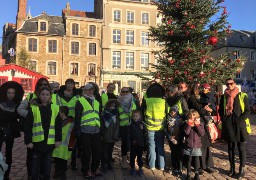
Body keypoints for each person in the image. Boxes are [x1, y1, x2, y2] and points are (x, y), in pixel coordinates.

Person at [17, 78, 53, 179]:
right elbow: (20, 109)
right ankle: (31, 175)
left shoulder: (52, 96)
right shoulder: (31, 96)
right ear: (37, 85)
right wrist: (30, 116)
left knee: (46, 158)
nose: (43, 85)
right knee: (32, 157)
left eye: (45, 84)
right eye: (41, 84)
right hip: (34, 132)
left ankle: (42, 174)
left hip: (47, 132)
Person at [24, 86, 62, 180]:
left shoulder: (55, 108)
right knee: (35, 168)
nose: (45, 96)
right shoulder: (33, 109)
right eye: (43, 94)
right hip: (36, 144)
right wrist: (28, 141)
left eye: (47, 95)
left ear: (50, 96)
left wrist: (58, 140)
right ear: (39, 95)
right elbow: (28, 127)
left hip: (49, 143)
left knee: (47, 167)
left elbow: (58, 126)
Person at [219, 78, 250, 179]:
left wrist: (240, 120)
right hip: (229, 125)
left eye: (231, 84)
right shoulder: (224, 97)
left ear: (235, 84)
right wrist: (225, 119)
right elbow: (220, 110)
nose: (229, 86)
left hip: (240, 125)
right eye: (227, 84)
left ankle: (242, 169)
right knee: (231, 147)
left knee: (241, 147)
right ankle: (232, 168)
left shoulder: (242, 95)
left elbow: (247, 111)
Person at [185, 82, 215, 174]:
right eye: (198, 88)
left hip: (202, 122)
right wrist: (206, 111)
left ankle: (207, 164)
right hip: (197, 122)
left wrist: (210, 109)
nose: (201, 90)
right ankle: (199, 166)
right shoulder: (192, 98)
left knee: (205, 143)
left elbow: (209, 104)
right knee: (199, 144)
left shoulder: (201, 97)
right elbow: (200, 110)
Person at [74, 83, 102, 179]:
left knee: (97, 151)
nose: (90, 91)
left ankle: (94, 169)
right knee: (86, 152)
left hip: (96, 130)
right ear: (84, 91)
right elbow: (77, 118)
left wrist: (100, 129)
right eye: (88, 89)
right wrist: (77, 132)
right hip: (85, 131)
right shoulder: (80, 101)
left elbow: (99, 116)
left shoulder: (96, 101)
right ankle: (86, 170)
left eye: (92, 90)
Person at [0, 81, 24, 180]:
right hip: (0, 130)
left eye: (13, 93)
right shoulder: (0, 104)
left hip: (11, 131)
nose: (11, 95)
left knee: (9, 152)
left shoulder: (18, 105)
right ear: (5, 93)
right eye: (9, 93)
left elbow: (21, 115)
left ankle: (7, 173)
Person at [56, 79, 80, 170]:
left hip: (72, 121)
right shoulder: (58, 95)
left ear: (74, 85)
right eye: (68, 84)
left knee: (72, 142)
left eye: (72, 84)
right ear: (66, 85)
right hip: (61, 121)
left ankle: (73, 162)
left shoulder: (77, 96)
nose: (70, 85)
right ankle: (61, 162)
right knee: (61, 142)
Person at [142, 83, 166, 171]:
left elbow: (142, 110)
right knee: (160, 146)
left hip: (150, 127)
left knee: (151, 146)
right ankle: (162, 166)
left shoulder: (147, 100)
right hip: (160, 127)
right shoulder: (164, 101)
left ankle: (151, 165)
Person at [52, 106, 75, 179]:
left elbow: (72, 137)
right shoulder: (56, 122)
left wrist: (71, 146)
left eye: (59, 112)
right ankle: (57, 172)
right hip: (57, 146)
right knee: (57, 161)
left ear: (62, 113)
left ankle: (62, 173)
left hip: (65, 147)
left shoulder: (71, 123)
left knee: (63, 162)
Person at [118, 87, 136, 168]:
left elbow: (136, 111)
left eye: (127, 91)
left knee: (133, 143)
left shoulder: (133, 100)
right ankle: (124, 160)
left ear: (129, 92)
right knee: (124, 144)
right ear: (120, 92)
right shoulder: (118, 102)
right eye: (123, 91)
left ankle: (133, 159)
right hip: (123, 126)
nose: (125, 93)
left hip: (132, 125)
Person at [183, 109, 205, 180]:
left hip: (197, 145)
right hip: (189, 144)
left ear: (196, 116)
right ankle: (188, 175)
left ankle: (196, 175)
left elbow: (201, 133)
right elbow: (186, 133)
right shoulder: (186, 123)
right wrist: (189, 125)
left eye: (194, 115)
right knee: (188, 160)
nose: (192, 117)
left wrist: (197, 125)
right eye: (191, 115)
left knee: (196, 160)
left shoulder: (200, 123)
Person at [101, 99, 120, 171]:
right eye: (111, 105)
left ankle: (108, 163)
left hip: (112, 135)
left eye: (114, 106)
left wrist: (116, 135)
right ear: (108, 105)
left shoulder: (116, 114)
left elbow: (117, 125)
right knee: (104, 151)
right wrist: (102, 135)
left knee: (110, 151)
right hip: (105, 135)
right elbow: (102, 125)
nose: (112, 107)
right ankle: (103, 164)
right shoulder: (103, 114)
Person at [165, 106, 183, 177]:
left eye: (175, 111)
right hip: (171, 139)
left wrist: (179, 137)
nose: (173, 113)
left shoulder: (180, 119)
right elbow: (166, 130)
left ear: (177, 112)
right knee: (173, 152)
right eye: (172, 111)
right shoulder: (167, 119)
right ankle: (174, 166)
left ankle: (180, 168)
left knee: (179, 153)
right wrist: (170, 137)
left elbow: (183, 129)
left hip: (179, 138)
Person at [129, 110, 146, 176]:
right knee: (132, 157)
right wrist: (128, 145)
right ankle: (132, 168)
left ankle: (140, 168)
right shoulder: (130, 125)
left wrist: (145, 145)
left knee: (140, 157)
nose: (135, 117)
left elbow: (145, 135)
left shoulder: (142, 125)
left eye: (137, 116)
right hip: (132, 144)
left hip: (140, 144)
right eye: (134, 116)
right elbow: (128, 135)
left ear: (140, 116)